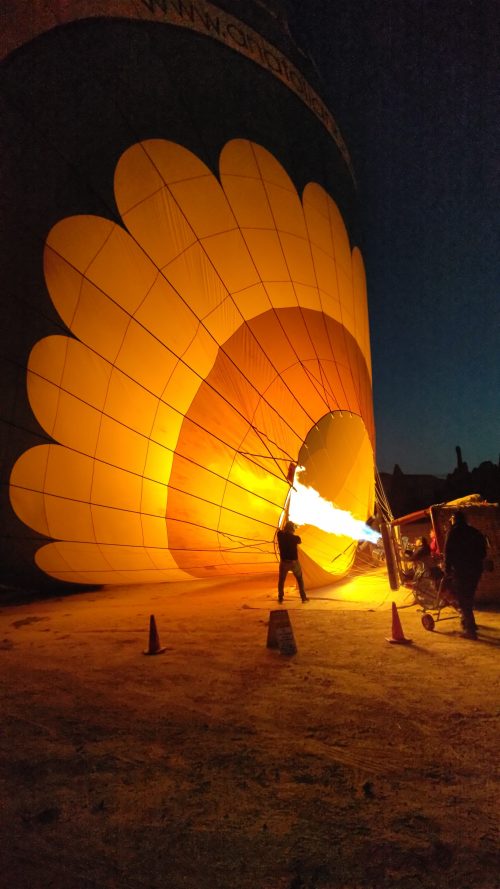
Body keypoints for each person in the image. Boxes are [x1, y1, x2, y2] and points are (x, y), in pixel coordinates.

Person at [444, 510, 487, 639]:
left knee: (463, 599)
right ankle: (469, 623)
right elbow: (483, 551)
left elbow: (448, 552)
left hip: (461, 570)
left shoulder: (453, 533)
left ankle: (470, 630)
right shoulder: (474, 532)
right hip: (475, 569)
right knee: (468, 596)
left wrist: (447, 569)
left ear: (454, 519)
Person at [276, 520, 308, 603]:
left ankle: (280, 598)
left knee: (281, 581)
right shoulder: (296, 538)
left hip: (284, 562)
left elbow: (280, 531)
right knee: (300, 579)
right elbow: (299, 541)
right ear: (292, 529)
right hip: (294, 563)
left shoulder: (280, 535)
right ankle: (303, 598)